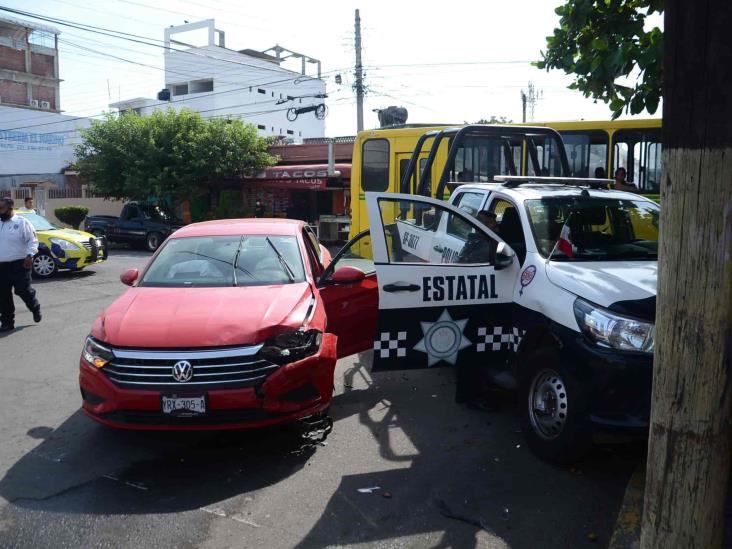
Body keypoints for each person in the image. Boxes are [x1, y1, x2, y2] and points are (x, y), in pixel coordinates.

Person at [0, 197, 42, 332]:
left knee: (22, 289)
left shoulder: (22, 222)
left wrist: (30, 255)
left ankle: (35, 307)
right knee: (3, 295)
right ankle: (7, 322)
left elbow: (32, 240)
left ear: (10, 208)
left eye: (2, 208)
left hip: (20, 264)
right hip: (1, 266)